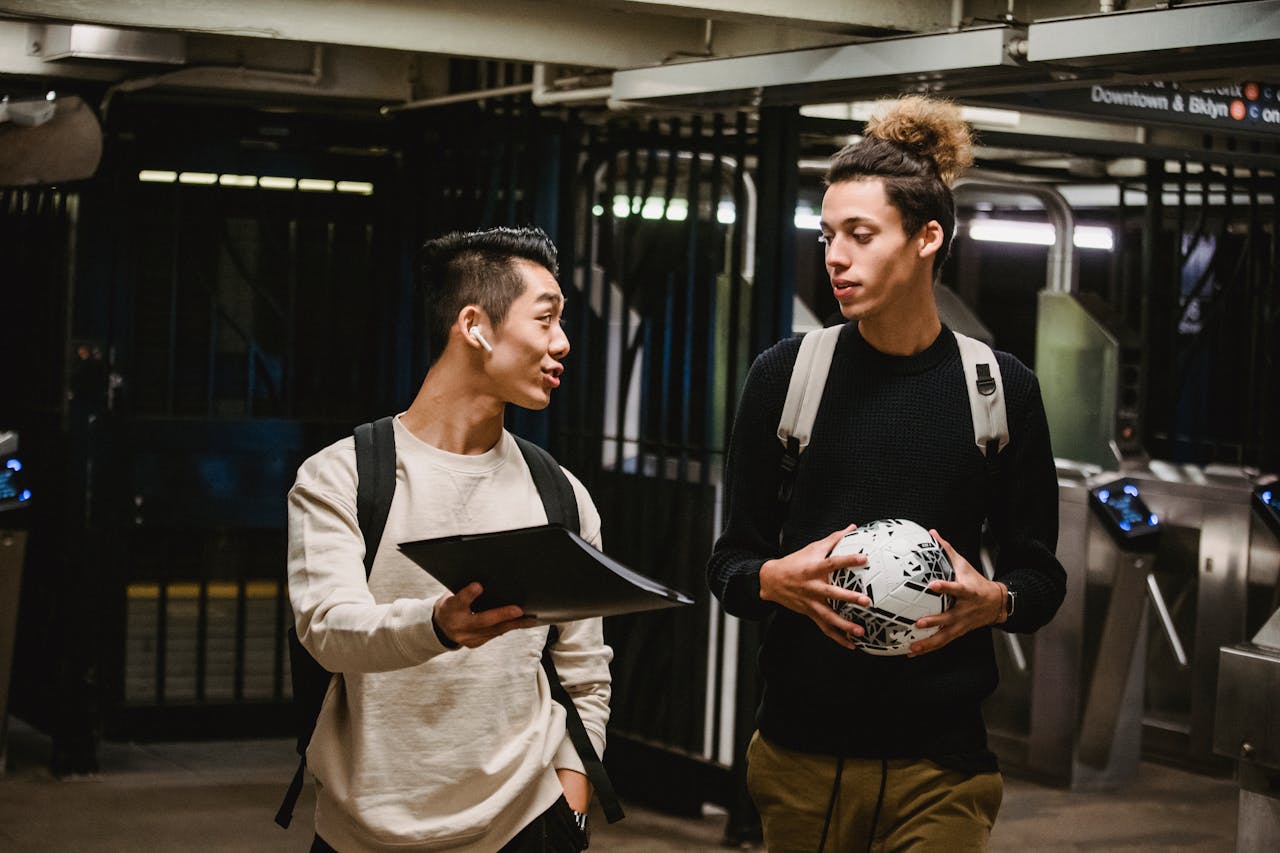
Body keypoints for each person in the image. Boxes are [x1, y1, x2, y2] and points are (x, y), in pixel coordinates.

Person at [706, 97, 1066, 852]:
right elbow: (729, 563)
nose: (834, 256)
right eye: (827, 234)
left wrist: (993, 602)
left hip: (943, 768)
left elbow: (1040, 578)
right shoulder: (788, 376)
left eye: (860, 235)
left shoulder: (998, 389)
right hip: (800, 758)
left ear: (927, 236)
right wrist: (774, 581)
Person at [288, 226, 611, 852]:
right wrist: (438, 625)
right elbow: (327, 629)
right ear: (475, 326)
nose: (563, 343)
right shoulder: (344, 476)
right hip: (364, 831)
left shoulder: (561, 495)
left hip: (525, 823)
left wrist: (572, 803)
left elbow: (584, 672)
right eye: (545, 320)